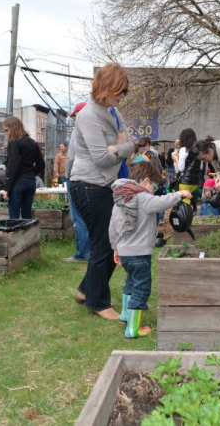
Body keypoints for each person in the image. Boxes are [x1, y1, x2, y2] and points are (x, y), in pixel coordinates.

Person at [69, 62, 133, 320]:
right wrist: (118, 149)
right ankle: (98, 302)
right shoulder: (88, 115)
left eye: (124, 91)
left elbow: (131, 144)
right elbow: (101, 159)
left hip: (104, 185)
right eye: (119, 90)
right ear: (104, 87)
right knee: (104, 244)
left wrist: (118, 149)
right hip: (87, 186)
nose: (122, 96)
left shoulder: (114, 113)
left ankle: (86, 291)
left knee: (109, 241)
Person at [109, 162, 192, 338]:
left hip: (124, 251)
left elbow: (112, 226)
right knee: (142, 288)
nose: (154, 191)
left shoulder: (121, 198)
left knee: (130, 283)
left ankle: (125, 315)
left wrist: (115, 247)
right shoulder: (142, 196)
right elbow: (160, 203)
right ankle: (133, 329)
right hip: (139, 253)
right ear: (146, 181)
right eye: (154, 186)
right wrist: (179, 194)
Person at [63, 104, 91, 263]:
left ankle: (82, 254)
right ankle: (91, 251)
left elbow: (71, 156)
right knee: (89, 216)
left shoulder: (77, 131)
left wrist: (67, 175)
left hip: (76, 176)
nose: (74, 119)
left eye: (75, 116)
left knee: (77, 216)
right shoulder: (96, 129)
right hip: (92, 177)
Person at [2, 116, 45, 219]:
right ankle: (28, 235)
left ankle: (15, 235)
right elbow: (41, 164)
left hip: (18, 182)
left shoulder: (14, 143)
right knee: (27, 215)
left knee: (14, 217)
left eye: (6, 130)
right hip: (30, 182)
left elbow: (13, 167)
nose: (6, 133)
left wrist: (6, 188)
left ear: (13, 128)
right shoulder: (32, 142)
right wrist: (30, 173)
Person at [177, 128, 204, 205]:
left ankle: (187, 217)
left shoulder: (183, 150)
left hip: (185, 183)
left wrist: (176, 159)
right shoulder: (199, 150)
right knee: (193, 204)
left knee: (185, 205)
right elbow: (201, 167)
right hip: (195, 183)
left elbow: (181, 168)